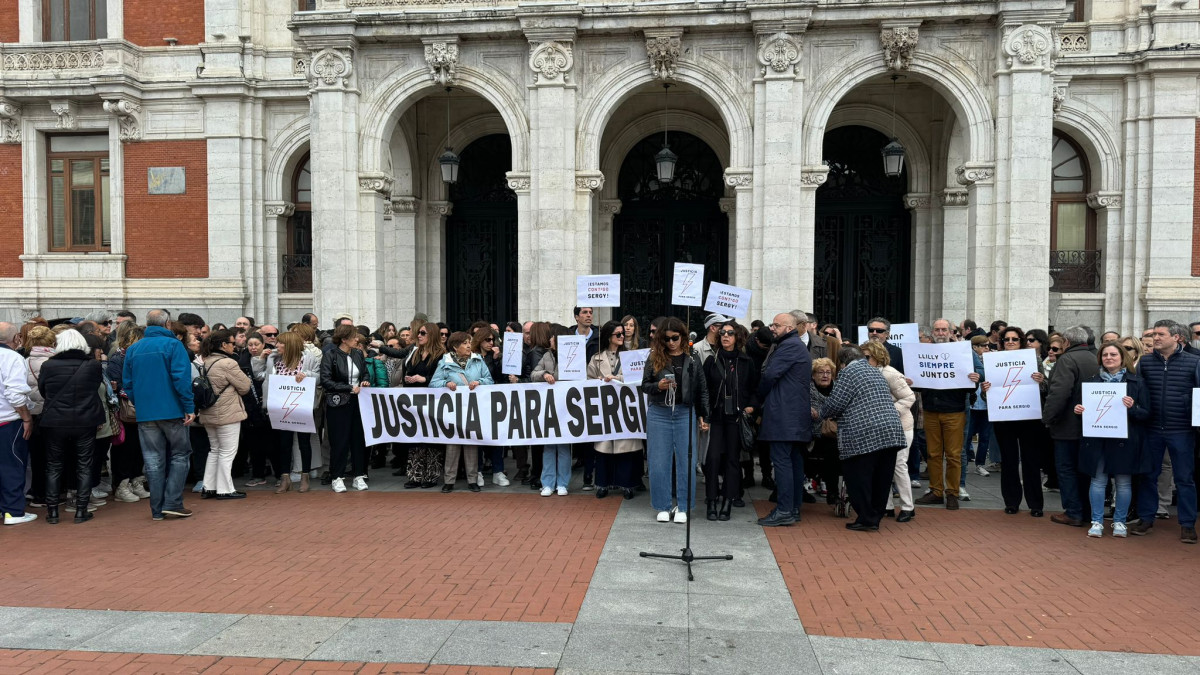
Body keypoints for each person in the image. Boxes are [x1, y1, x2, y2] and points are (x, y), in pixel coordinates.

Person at [818, 347, 908, 531]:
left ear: (842, 362)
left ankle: (866, 518)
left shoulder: (849, 372)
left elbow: (836, 403)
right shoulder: (875, 372)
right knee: (882, 480)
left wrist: (821, 412)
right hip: (891, 432)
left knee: (859, 478)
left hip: (864, 434)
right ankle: (874, 517)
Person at [122, 309, 195, 520]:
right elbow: (181, 379)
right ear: (168, 324)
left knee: (153, 460)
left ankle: (157, 509)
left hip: (147, 412)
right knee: (180, 455)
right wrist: (188, 406)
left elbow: (128, 383)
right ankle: (172, 502)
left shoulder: (134, 349)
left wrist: (140, 402)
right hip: (172, 410)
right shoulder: (173, 345)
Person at [1130, 320, 1199, 543]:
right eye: (1154, 334)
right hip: (1151, 429)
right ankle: (1147, 518)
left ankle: (1187, 524)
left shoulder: (1194, 361)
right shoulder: (1146, 363)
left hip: (1182, 429)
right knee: (1149, 475)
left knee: (1184, 478)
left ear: (1176, 337)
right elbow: (1139, 391)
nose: (1155, 338)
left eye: (1161, 334)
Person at [1073, 342, 1151, 538]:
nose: (1109, 358)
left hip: (1123, 440)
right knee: (1098, 481)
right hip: (1098, 439)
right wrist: (1079, 411)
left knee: (1123, 483)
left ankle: (1120, 522)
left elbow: (1146, 414)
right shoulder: (1091, 382)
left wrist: (1132, 407)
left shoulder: (1136, 382)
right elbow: (1082, 411)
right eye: (1105, 354)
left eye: (1113, 354)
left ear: (1122, 357)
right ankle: (1097, 521)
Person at [642, 317, 709, 523]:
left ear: (683, 336)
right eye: (666, 338)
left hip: (684, 411)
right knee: (658, 461)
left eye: (675, 338)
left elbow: (701, 388)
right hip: (659, 412)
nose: (671, 342)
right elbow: (644, 385)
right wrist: (658, 387)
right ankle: (662, 505)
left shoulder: (693, 358)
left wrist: (703, 415)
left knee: (686, 460)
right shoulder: (654, 357)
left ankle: (683, 506)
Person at [36, 329, 104, 524]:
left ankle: (52, 512)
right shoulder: (92, 365)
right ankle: (81, 510)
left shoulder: (48, 365)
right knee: (84, 465)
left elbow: (43, 391)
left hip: (55, 420)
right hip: (85, 419)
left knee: (54, 465)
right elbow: (95, 389)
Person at [913, 318, 980, 511]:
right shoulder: (923, 352)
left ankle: (952, 493)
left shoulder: (963, 352)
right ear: (932, 332)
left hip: (955, 410)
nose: (941, 333)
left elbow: (973, 383)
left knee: (953, 454)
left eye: (944, 329)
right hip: (932, 410)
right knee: (933, 454)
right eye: (937, 329)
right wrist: (912, 379)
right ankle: (935, 491)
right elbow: (918, 383)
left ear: (951, 332)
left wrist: (976, 379)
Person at [981, 327, 1047, 517]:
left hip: (1029, 418)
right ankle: (1011, 502)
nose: (1010, 342)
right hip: (1004, 419)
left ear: (1021, 341)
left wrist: (1041, 381)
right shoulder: (992, 361)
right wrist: (985, 391)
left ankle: (1035, 504)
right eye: (1006, 339)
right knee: (1008, 461)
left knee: (1031, 461)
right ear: (1001, 341)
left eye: (1015, 339)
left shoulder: (1034, 360)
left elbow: (1045, 390)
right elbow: (989, 397)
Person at [755, 312, 811, 527]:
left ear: (789, 328)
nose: (772, 328)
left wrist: (759, 397)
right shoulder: (795, 345)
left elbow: (769, 375)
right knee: (794, 461)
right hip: (794, 415)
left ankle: (785, 509)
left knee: (783, 462)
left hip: (784, 415)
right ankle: (793, 508)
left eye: (776, 325)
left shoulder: (789, 346)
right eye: (772, 324)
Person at [1042, 325, 1100, 527]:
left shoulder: (1066, 360)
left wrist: (1048, 418)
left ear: (1066, 342)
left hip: (1067, 425)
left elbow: (1059, 393)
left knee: (1066, 469)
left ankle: (1073, 511)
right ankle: (1085, 511)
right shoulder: (1095, 358)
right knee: (1084, 471)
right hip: (1090, 425)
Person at [702, 321, 758, 521]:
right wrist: (704, 415)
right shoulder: (710, 360)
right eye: (723, 333)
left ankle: (728, 501)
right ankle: (711, 500)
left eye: (730, 333)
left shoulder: (746, 362)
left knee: (733, 460)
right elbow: (704, 390)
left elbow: (754, 389)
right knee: (713, 458)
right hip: (716, 417)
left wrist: (751, 405)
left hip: (736, 417)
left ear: (738, 337)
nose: (725, 336)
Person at [860, 341, 916, 522]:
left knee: (899, 465)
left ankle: (908, 507)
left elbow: (909, 397)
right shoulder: (867, 373)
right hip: (881, 427)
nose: (864, 360)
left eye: (867, 357)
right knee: (884, 467)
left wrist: (889, 411)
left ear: (877, 357)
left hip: (901, 426)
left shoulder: (890, 373)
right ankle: (888, 506)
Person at [432, 331, 493, 493]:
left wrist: (479, 382)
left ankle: (472, 480)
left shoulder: (478, 360)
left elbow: (489, 380)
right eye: (465, 343)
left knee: (471, 444)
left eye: (469, 342)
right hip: (453, 410)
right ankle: (449, 480)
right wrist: (446, 383)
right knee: (452, 445)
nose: (468, 346)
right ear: (455, 346)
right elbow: (433, 384)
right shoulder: (444, 363)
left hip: (473, 409)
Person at [588, 320, 642, 501]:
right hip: (604, 409)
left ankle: (627, 485)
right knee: (604, 448)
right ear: (609, 336)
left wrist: (616, 378)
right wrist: (599, 381)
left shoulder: (631, 356)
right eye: (618, 334)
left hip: (626, 409)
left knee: (626, 448)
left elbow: (637, 377)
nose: (622, 336)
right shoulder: (596, 358)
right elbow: (588, 381)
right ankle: (603, 484)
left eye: (623, 334)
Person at [260, 331, 319, 493]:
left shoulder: (307, 358)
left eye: (281, 343)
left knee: (304, 443)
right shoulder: (275, 359)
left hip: (302, 406)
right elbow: (261, 377)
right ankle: (285, 478)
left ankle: (304, 477)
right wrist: (260, 360)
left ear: (290, 345)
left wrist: (307, 375)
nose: (277, 345)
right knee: (283, 443)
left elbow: (319, 377)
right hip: (281, 407)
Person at [197, 330, 252, 500]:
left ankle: (209, 486)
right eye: (231, 343)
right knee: (227, 452)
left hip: (208, 412)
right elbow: (245, 386)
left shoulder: (206, 361)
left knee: (214, 450)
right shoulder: (228, 363)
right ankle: (224, 489)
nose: (233, 346)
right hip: (227, 413)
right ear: (223, 345)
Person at [320, 324, 371, 493]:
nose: (357, 339)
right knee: (339, 441)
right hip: (338, 403)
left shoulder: (357, 354)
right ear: (343, 339)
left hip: (358, 402)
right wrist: (348, 387)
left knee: (358, 439)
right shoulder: (330, 355)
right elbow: (326, 380)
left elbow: (364, 372)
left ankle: (358, 475)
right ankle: (337, 477)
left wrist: (364, 381)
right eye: (353, 336)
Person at [401, 320, 445, 489]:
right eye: (418, 333)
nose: (418, 336)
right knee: (416, 437)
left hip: (434, 403)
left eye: (423, 333)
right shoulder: (415, 354)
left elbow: (441, 377)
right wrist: (410, 378)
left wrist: (424, 379)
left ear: (431, 335)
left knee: (432, 439)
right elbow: (410, 371)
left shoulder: (441, 355)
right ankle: (415, 475)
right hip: (416, 402)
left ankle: (431, 475)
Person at [0, 323, 35, 525]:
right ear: (15, 339)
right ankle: (13, 511)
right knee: (12, 465)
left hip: (6, 418)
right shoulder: (12, 357)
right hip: (7, 420)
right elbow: (14, 393)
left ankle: (8, 509)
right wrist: (26, 417)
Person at [532, 327, 574, 496]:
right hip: (549, 407)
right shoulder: (547, 356)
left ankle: (563, 483)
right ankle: (547, 483)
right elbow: (534, 374)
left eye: (552, 338)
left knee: (564, 447)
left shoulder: (573, 355)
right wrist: (544, 374)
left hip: (566, 406)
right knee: (549, 446)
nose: (549, 340)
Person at [807, 358, 842, 511]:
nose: (825, 375)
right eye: (821, 372)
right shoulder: (807, 390)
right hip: (812, 435)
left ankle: (832, 492)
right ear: (813, 375)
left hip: (833, 435)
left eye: (828, 372)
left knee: (833, 450)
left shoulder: (839, 391)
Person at [962, 336, 992, 478]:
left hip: (986, 406)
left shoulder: (993, 360)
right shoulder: (968, 359)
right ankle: (965, 463)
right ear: (974, 347)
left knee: (985, 437)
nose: (987, 347)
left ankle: (980, 464)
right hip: (973, 406)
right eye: (983, 345)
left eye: (988, 345)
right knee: (967, 437)